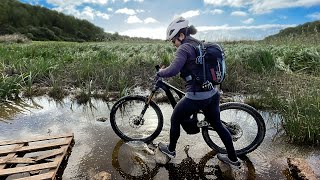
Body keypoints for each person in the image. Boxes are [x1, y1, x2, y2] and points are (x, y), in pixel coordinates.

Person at [156, 17, 240, 166]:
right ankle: (233, 159)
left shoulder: (184, 48)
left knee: (175, 118)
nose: (173, 44)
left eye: (173, 40)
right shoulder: (198, 43)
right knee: (218, 125)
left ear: (181, 36)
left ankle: (170, 150)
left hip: (197, 95)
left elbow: (173, 70)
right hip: (212, 92)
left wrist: (160, 72)